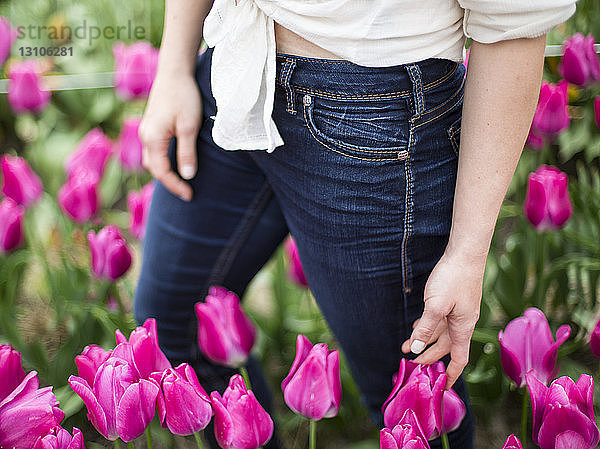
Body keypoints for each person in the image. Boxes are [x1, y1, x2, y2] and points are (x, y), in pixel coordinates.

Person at [134, 1, 577, 448]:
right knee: (175, 326)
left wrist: (466, 253)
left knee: (411, 405)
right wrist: (173, 67)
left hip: (370, 120)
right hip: (232, 69)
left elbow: (515, 19)